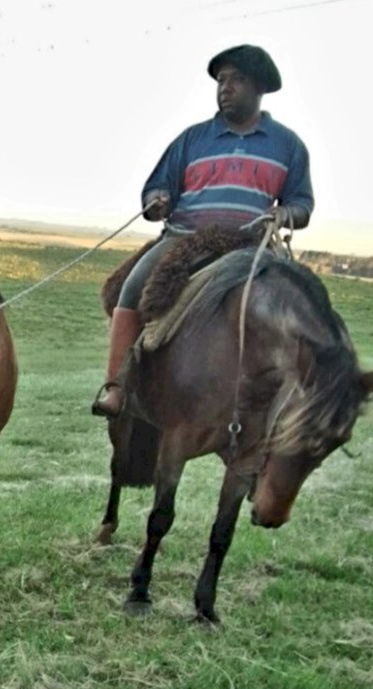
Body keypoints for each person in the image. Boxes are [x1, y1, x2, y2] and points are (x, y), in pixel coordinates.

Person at [91, 44, 314, 418]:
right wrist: (158, 199)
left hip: (252, 243)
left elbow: (303, 204)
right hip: (186, 239)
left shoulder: (288, 145)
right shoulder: (192, 139)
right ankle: (116, 387)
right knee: (131, 289)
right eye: (221, 80)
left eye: (236, 80)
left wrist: (286, 212)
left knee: (301, 301)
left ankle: (299, 395)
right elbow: (155, 188)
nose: (225, 88)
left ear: (259, 87)